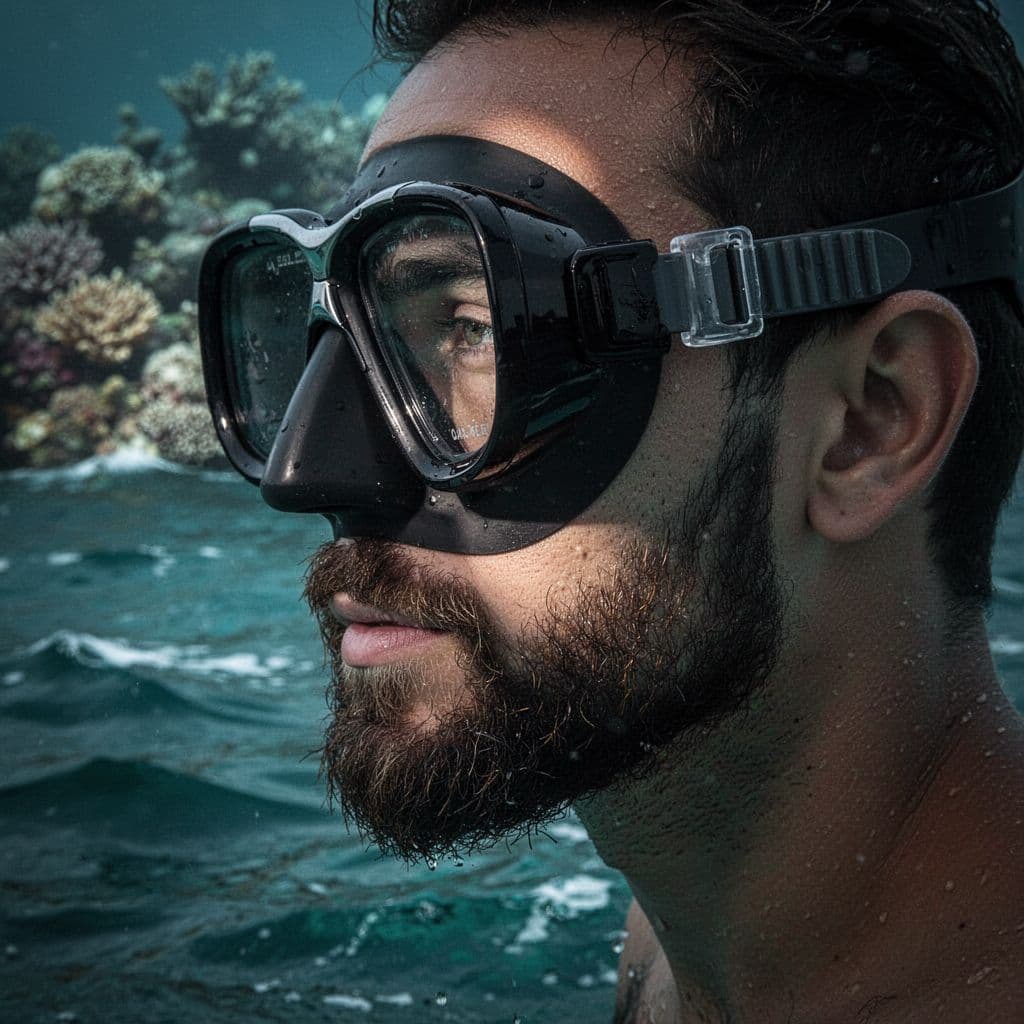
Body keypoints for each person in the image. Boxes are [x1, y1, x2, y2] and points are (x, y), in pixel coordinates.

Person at [198, 1, 1024, 1019]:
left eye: (472, 325)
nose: (308, 473)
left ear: (869, 421)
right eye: (345, 324)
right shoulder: (683, 951)